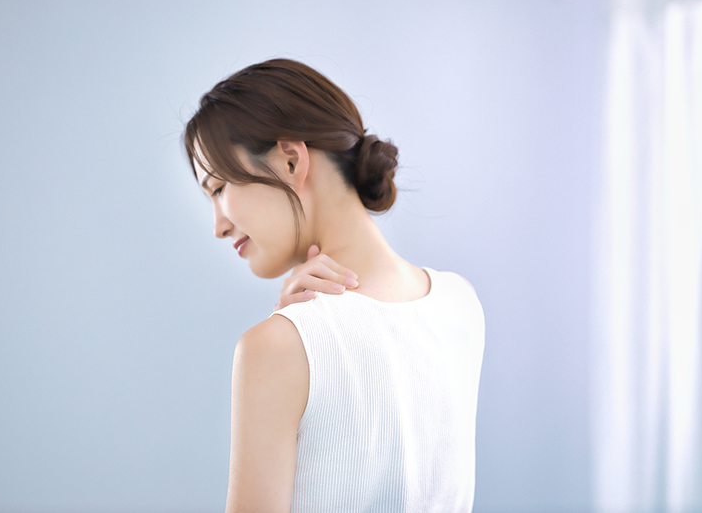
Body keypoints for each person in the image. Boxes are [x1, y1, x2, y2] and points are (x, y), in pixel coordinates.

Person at [184, 59, 485, 513]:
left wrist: (290, 335)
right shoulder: (460, 302)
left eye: (219, 187)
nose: (218, 226)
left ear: (291, 160)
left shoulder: (274, 348)